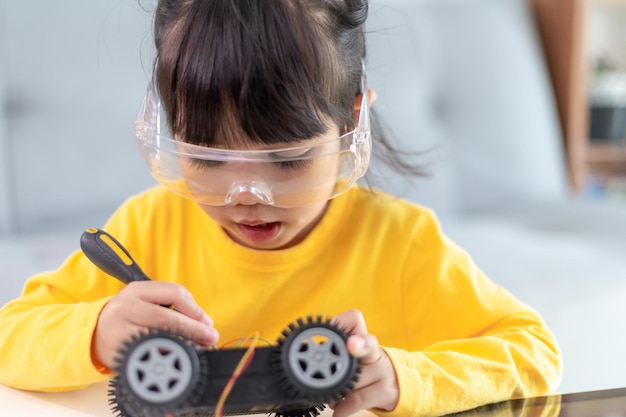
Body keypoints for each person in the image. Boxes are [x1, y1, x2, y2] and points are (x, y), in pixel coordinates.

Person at [0, 1, 561, 416]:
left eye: (286, 159)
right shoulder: (149, 228)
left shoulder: (401, 243)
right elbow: (11, 337)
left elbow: (532, 352)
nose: (247, 195)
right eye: (210, 157)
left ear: (350, 123)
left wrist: (402, 377)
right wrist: (97, 330)